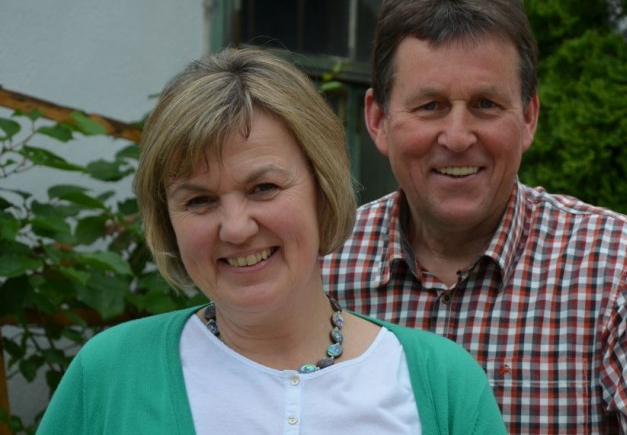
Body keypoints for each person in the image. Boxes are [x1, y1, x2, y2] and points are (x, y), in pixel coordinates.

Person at [320, 0, 627, 433]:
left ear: (528, 117)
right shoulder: (322, 268)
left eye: (486, 104)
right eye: (430, 106)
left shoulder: (617, 270)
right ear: (378, 119)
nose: (457, 137)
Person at [36, 47, 507, 434]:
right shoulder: (110, 374)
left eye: (263, 188)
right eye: (199, 200)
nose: (236, 228)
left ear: (323, 190)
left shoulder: (443, 384)